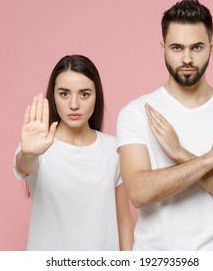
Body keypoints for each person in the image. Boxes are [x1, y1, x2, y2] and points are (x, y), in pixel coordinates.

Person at [117, 0, 213, 250]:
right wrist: (209, 158)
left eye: (196, 47)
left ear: (212, 46)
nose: (186, 58)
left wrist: (181, 154)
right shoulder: (136, 113)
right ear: (162, 47)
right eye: (176, 47)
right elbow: (139, 193)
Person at [13, 55, 134, 251]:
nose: (74, 105)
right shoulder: (37, 146)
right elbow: (25, 164)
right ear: (53, 96)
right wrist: (28, 153)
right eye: (64, 94)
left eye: (84, 94)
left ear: (97, 96)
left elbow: (124, 221)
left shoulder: (113, 150)